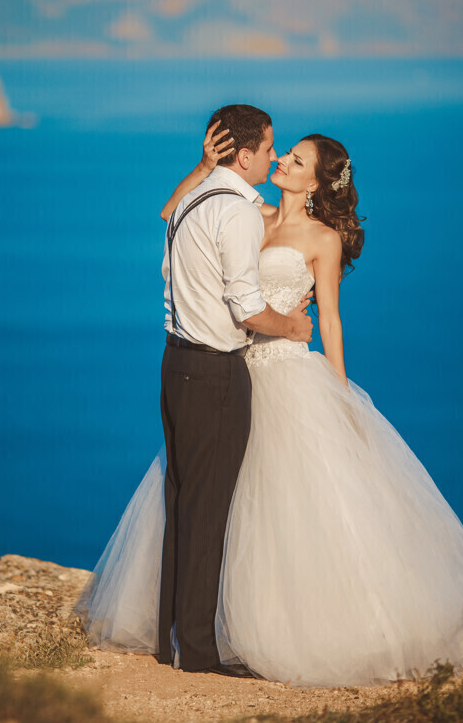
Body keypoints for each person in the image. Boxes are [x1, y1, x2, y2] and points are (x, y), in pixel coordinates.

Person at [74, 118, 463, 687]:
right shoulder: (250, 213)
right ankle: (211, 628)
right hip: (236, 369)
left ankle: (286, 633)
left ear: (318, 185)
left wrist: (341, 392)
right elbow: (171, 214)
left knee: (287, 510)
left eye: (296, 161)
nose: (282, 163)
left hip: (289, 380)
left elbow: (328, 319)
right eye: (284, 154)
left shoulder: (322, 240)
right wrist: (204, 166)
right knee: (220, 503)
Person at [143, 104, 313, 676]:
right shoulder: (238, 214)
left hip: (173, 367)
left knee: (181, 503)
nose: (274, 156)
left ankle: (169, 640)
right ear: (243, 154)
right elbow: (247, 309)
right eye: (269, 148)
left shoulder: (190, 199)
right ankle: (197, 652)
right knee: (209, 511)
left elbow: (165, 238)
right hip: (215, 372)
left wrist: (198, 166)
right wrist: (292, 325)